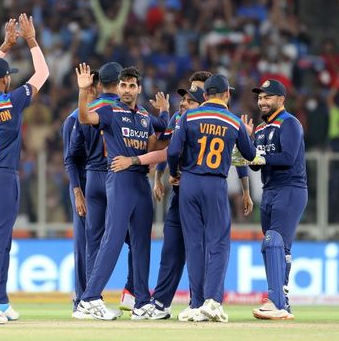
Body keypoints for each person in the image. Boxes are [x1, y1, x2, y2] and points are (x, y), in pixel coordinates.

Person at [0, 14, 49, 324]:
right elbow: (42, 72)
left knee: (1, 239)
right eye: (9, 77)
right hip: (3, 179)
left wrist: (4, 46)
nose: (11, 80)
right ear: (4, 80)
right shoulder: (12, 102)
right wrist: (30, 40)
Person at [75, 64, 165, 320]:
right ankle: (89, 299)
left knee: (141, 243)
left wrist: (166, 113)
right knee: (113, 239)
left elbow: (157, 143)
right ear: (119, 87)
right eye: (123, 85)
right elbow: (85, 118)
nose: (126, 89)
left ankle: (142, 302)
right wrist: (83, 92)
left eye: (131, 85)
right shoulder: (109, 109)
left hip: (140, 183)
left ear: (138, 88)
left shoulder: (145, 116)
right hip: (120, 180)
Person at [167, 74, 257, 323]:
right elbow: (248, 154)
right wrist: (247, 135)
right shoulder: (234, 121)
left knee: (194, 245)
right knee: (218, 243)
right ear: (227, 95)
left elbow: (173, 151)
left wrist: (175, 173)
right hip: (215, 184)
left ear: (205, 95)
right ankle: (213, 302)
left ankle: (196, 303)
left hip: (189, 183)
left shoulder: (188, 117)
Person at [67, 62, 135, 315]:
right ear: (119, 84)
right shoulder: (125, 111)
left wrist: (78, 190)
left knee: (93, 242)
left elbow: (71, 156)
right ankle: (129, 293)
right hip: (117, 176)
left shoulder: (80, 115)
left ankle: (86, 301)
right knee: (134, 237)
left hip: (92, 179)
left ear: (97, 84)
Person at [242, 79, 308, 320]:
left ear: (281, 99)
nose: (262, 101)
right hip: (269, 189)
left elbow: (288, 157)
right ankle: (282, 302)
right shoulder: (260, 129)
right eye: (260, 98)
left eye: (268, 97)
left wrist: (259, 158)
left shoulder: (289, 123)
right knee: (275, 248)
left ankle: (276, 301)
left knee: (274, 243)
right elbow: (257, 166)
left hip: (290, 187)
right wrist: (248, 146)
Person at [61, 69, 99, 319]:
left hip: (108, 184)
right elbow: (69, 161)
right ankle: (82, 299)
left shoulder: (108, 115)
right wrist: (77, 193)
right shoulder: (73, 120)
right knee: (84, 245)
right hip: (84, 187)